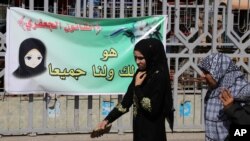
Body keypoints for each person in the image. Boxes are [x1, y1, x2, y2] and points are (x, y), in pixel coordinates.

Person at [95, 38, 174, 141]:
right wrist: (107, 120)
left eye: (141, 58)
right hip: (139, 132)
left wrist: (137, 88)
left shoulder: (160, 77)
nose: (137, 62)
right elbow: (126, 102)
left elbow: (152, 108)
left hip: (153, 134)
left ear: (151, 56)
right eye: (135, 58)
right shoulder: (140, 73)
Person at [198, 53, 250, 141]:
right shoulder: (213, 91)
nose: (202, 76)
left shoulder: (244, 91)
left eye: (206, 72)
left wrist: (232, 108)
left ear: (218, 72)